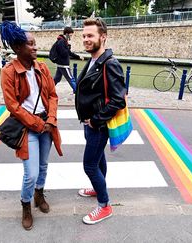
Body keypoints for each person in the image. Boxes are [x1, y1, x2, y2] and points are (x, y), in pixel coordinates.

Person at [0, 21, 63, 231]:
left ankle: (39, 194)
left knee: (43, 166)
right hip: (28, 126)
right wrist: (37, 124)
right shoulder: (9, 72)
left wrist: (50, 120)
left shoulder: (42, 68)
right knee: (31, 173)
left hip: (46, 123)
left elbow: (53, 95)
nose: (35, 47)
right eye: (30, 44)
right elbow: (13, 106)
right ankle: (26, 205)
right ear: (18, 48)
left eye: (35, 44)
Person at [75, 18, 126, 225]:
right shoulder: (94, 60)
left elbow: (118, 101)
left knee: (89, 165)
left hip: (98, 125)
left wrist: (95, 121)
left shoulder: (110, 64)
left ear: (102, 37)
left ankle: (104, 206)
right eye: (84, 36)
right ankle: (98, 189)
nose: (86, 40)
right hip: (90, 123)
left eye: (90, 36)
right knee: (97, 160)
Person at [52, 26, 84, 92]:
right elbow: (65, 53)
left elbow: (68, 52)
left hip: (60, 64)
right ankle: (78, 93)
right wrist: (68, 46)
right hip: (63, 64)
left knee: (57, 78)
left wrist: (78, 56)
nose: (71, 37)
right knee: (71, 79)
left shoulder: (63, 41)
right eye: (70, 35)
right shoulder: (61, 41)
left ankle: (48, 89)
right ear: (67, 34)